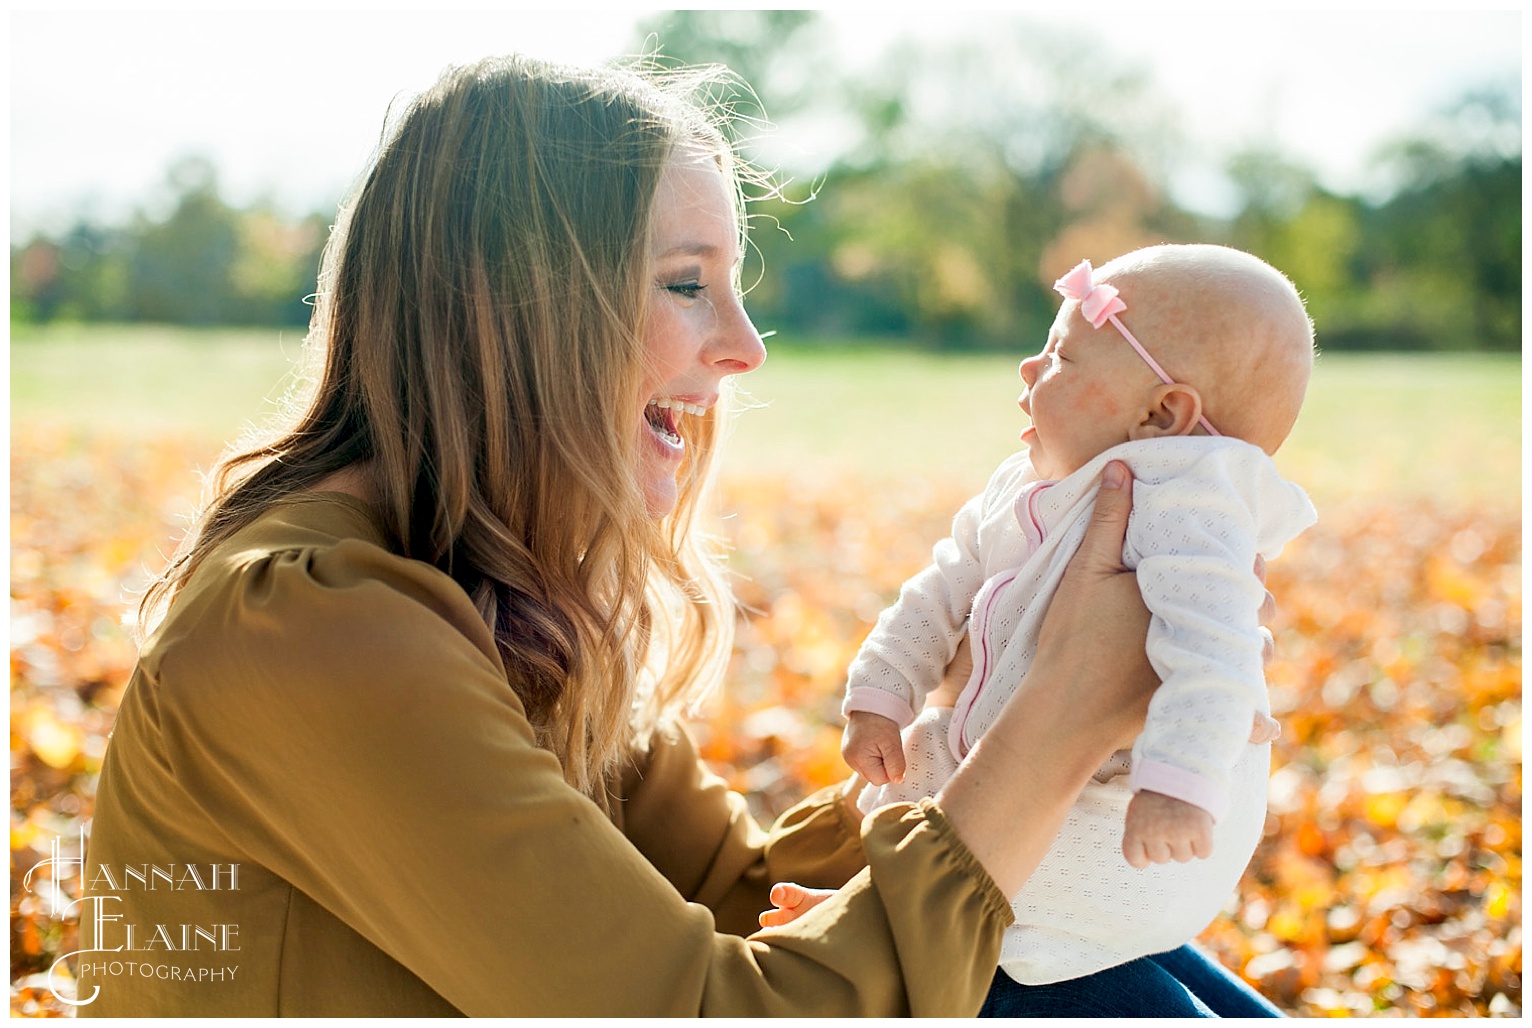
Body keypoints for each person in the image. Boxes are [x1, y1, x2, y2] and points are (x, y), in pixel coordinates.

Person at [75, 55, 1199, 1017]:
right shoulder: (314, 629)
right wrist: (1048, 730)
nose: (745, 347)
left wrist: (999, 685)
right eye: (684, 284)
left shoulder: (491, 596)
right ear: (510, 306)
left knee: (1081, 954)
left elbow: (738, 888)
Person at [792, 244, 1314, 1006]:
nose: (1028, 370)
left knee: (1024, 940)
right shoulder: (1023, 485)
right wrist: (883, 686)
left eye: (1062, 356)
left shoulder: (1190, 506)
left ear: (1161, 414)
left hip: (1111, 821)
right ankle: (870, 925)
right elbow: (940, 586)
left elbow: (1216, 650)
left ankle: (879, 937)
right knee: (926, 788)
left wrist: (1179, 779)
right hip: (1002, 781)